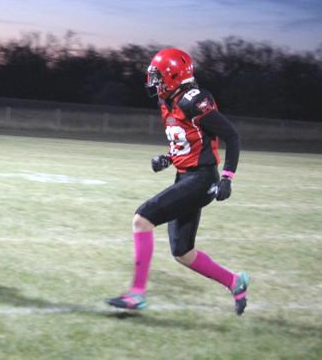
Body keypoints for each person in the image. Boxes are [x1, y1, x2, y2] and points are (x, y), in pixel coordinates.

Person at [106, 48, 249, 315]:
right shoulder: (167, 102)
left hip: (202, 179)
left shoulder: (194, 100)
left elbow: (232, 136)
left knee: (142, 218)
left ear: (173, 75)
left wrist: (228, 177)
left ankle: (136, 294)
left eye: (158, 76)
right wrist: (169, 158)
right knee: (183, 252)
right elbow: (191, 141)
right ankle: (235, 281)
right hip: (185, 177)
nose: (153, 82)